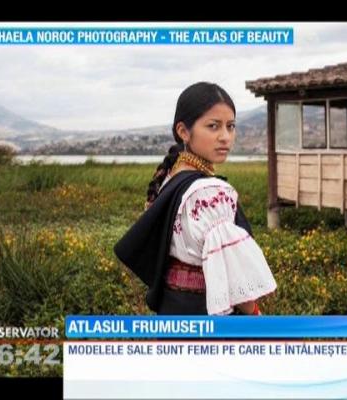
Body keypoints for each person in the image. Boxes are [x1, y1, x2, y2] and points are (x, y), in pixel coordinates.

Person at [114, 82, 276, 316]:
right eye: (213, 126)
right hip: (204, 313)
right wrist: (254, 314)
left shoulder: (171, 176)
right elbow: (232, 275)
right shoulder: (209, 192)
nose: (225, 137)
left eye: (230, 126)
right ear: (183, 131)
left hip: (172, 309)